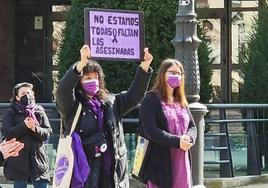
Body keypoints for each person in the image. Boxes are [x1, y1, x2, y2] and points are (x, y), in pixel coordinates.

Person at [56, 44, 153, 188]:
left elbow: (134, 96)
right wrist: (80, 64)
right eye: (87, 77)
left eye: (96, 77)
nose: (93, 80)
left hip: (111, 171)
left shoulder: (111, 102)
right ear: (79, 82)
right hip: (84, 172)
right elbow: (63, 91)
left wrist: (144, 67)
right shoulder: (73, 106)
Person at [139, 58, 197, 188]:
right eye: (171, 72)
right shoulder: (151, 99)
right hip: (160, 165)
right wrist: (178, 141)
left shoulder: (181, 100)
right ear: (162, 74)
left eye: (178, 73)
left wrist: (189, 138)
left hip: (182, 161)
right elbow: (151, 131)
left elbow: (192, 126)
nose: (175, 76)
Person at [1, 82, 52, 188]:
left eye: (29, 93)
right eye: (23, 93)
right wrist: (24, 126)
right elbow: (7, 133)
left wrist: (34, 128)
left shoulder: (39, 111)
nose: (27, 95)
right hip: (17, 163)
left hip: (38, 162)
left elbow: (47, 133)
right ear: (17, 97)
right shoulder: (10, 112)